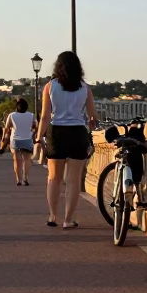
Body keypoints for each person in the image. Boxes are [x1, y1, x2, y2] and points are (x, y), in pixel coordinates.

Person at [35, 51, 96, 228]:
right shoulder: (85, 88)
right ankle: (68, 219)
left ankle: (53, 217)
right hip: (77, 132)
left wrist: (39, 138)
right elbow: (92, 115)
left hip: (57, 132)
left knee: (53, 178)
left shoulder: (50, 86)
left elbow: (45, 116)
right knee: (74, 179)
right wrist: (91, 121)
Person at [1, 98, 36, 186]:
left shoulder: (12, 115)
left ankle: (18, 179)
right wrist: (32, 133)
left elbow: (7, 128)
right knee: (27, 160)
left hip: (15, 140)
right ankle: (25, 178)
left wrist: (3, 138)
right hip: (27, 139)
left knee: (16, 160)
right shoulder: (31, 115)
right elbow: (34, 126)